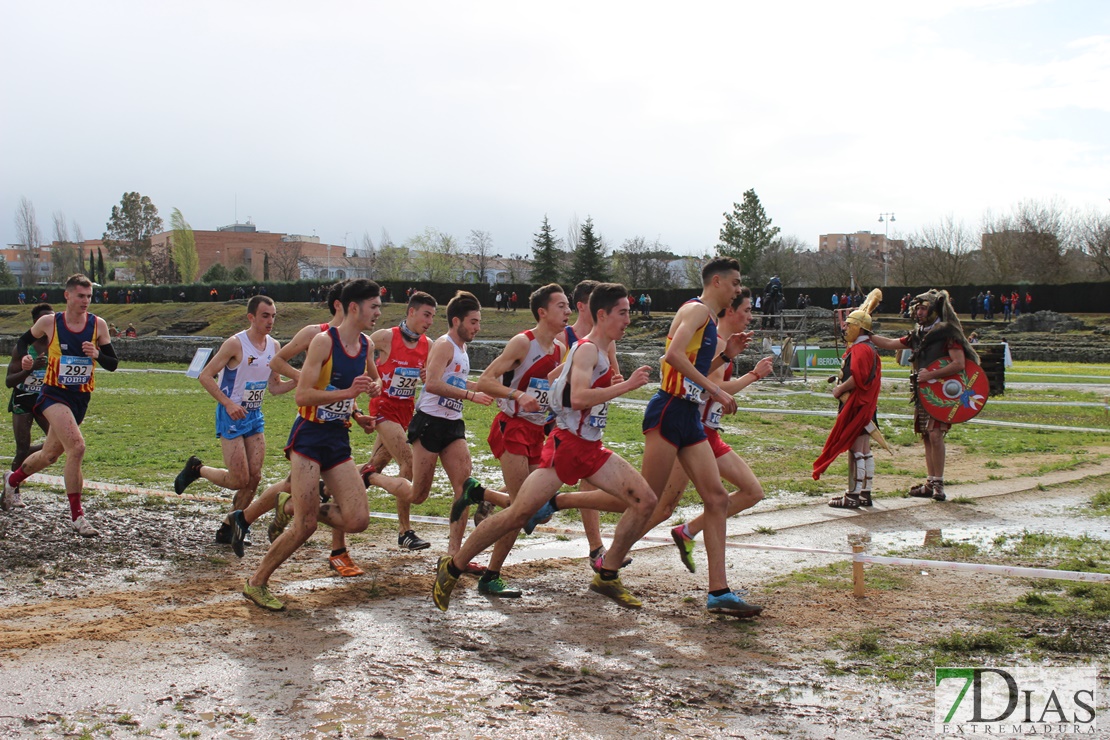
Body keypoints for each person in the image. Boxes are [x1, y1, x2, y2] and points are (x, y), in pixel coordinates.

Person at [532, 288, 774, 598]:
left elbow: (696, 375)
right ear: (725, 298)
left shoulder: (712, 331)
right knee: (651, 503)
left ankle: (712, 581)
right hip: (675, 417)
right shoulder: (699, 316)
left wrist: (726, 362)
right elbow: (677, 363)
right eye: (746, 308)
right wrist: (738, 379)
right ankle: (595, 546)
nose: (750, 315)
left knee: (710, 499)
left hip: (695, 426)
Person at [433, 283, 655, 611]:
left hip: (585, 447)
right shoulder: (584, 349)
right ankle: (453, 568)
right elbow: (578, 397)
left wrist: (560, 390)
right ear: (603, 314)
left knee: (643, 500)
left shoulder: (584, 349)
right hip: (557, 443)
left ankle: (606, 575)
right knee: (518, 513)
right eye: (623, 313)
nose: (628, 319)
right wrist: (622, 388)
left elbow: (559, 382)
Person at [242, 279, 383, 611]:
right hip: (309, 436)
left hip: (337, 437)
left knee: (358, 519)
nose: (378, 313)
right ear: (353, 307)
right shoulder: (323, 342)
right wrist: (347, 394)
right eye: (374, 306)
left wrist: (372, 389)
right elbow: (303, 395)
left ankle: (293, 507)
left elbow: (374, 378)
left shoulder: (366, 345)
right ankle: (257, 582)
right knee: (304, 528)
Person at [453, 284, 570, 598]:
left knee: (533, 505)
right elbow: (487, 381)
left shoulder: (560, 350)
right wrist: (517, 394)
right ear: (542, 312)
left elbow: (552, 392)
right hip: (511, 426)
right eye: (561, 306)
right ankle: (491, 576)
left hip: (536, 432)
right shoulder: (523, 342)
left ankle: (478, 491)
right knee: (523, 508)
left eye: (569, 306)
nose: (568, 312)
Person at [172, 296, 296, 551]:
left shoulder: (274, 346)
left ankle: (232, 526)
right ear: (251, 317)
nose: (270, 320)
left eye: (273, 315)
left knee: (255, 477)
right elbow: (205, 376)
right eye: (265, 315)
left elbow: (274, 387)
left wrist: (301, 380)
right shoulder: (235, 344)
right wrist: (228, 403)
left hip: (254, 416)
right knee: (240, 478)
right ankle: (197, 469)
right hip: (230, 414)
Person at [3, 275, 118, 536]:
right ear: (67, 296)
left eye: (89, 297)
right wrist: (24, 361)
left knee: (49, 454)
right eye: (81, 296)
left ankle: (12, 480)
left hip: (80, 398)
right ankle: (78, 517)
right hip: (53, 395)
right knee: (76, 447)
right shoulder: (50, 322)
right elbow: (22, 341)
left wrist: (97, 354)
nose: (86, 301)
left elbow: (113, 363)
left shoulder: (97, 325)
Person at [406, 291, 493, 560]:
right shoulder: (444, 344)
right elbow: (431, 383)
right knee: (418, 494)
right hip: (429, 422)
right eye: (473, 322)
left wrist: (489, 389)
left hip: (453, 425)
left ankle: (454, 554)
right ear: (457, 321)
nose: (477, 328)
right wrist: (470, 395)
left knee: (464, 489)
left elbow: (455, 380)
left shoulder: (463, 349)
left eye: (478, 322)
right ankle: (372, 476)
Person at [870, 289, 978, 503]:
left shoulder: (947, 334)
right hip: (923, 393)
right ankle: (930, 482)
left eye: (923, 308)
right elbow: (892, 343)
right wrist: (865, 333)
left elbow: (959, 364)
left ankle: (938, 483)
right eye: (917, 308)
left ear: (933, 309)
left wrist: (931, 374)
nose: (918, 312)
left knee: (936, 435)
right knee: (927, 436)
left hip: (942, 392)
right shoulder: (918, 334)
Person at [359, 291, 438, 551]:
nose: (429, 321)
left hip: (406, 412)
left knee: (375, 467)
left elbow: (433, 377)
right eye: (426, 314)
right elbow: (358, 350)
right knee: (409, 462)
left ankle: (329, 493)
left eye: (433, 316)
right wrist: (372, 377)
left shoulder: (430, 344)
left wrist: (428, 375)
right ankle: (405, 531)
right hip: (383, 408)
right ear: (411, 312)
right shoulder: (386, 336)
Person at [814, 290, 884, 508]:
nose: (845, 329)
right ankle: (865, 492)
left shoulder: (862, 349)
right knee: (864, 450)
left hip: (856, 405)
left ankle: (853, 495)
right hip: (865, 405)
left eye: (849, 325)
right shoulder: (867, 348)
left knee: (856, 450)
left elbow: (859, 378)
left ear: (859, 328)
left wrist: (839, 388)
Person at [3, 303, 54, 510]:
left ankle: (18, 466)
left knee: (57, 443)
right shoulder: (23, 348)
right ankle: (14, 491)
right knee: (22, 446)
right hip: (23, 398)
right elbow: (9, 381)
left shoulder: (56, 345)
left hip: (45, 399)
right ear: (36, 323)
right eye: (45, 320)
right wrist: (30, 369)